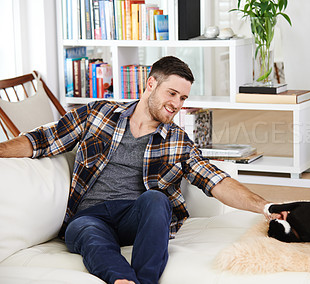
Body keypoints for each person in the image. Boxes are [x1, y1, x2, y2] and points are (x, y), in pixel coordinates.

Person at [0, 56, 285, 284]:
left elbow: (215, 180)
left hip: (135, 219)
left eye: (183, 98)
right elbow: (41, 141)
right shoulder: (98, 114)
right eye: (172, 93)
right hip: (90, 217)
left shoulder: (178, 141)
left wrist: (264, 206)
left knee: (156, 199)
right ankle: (124, 280)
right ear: (150, 84)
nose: (177, 104)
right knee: (86, 230)